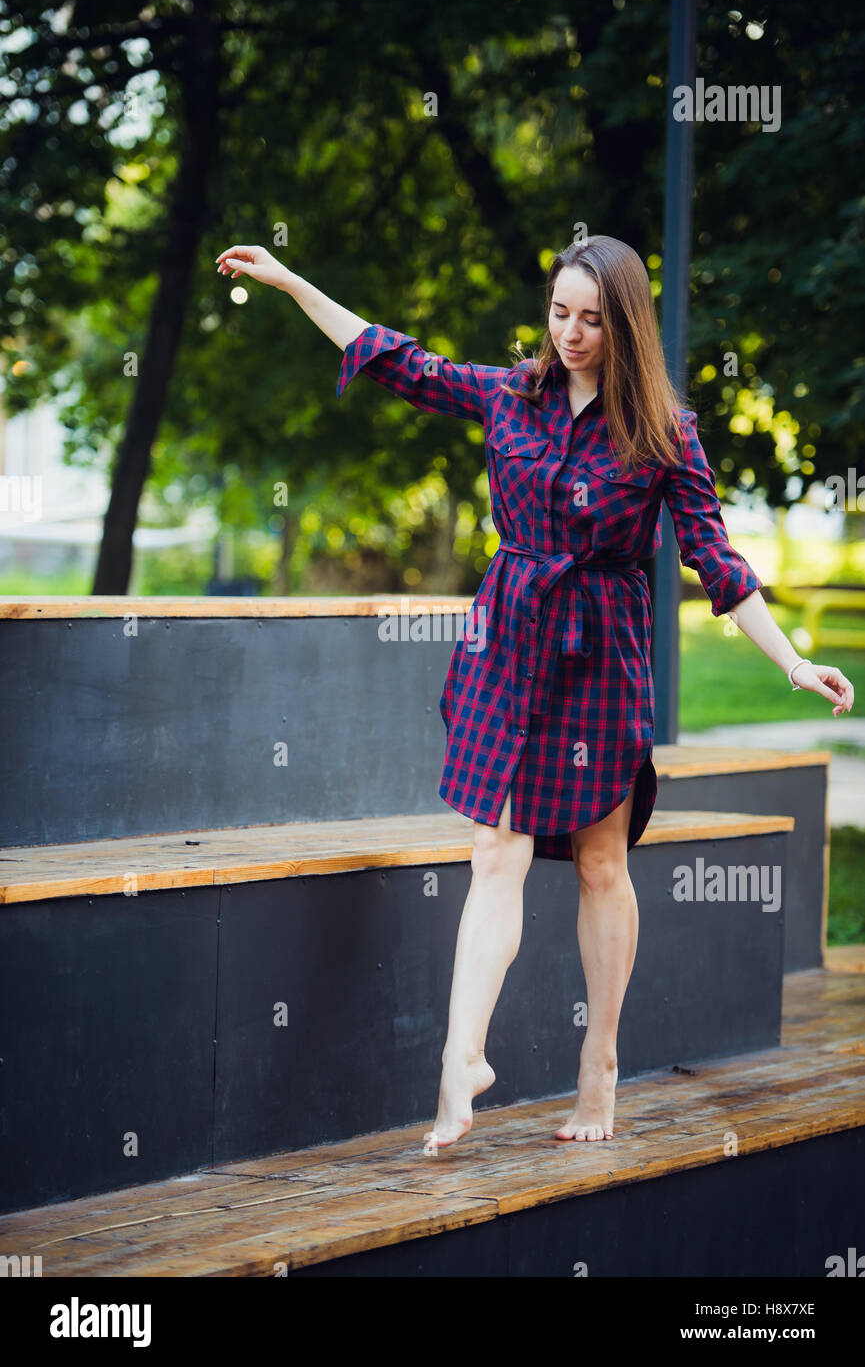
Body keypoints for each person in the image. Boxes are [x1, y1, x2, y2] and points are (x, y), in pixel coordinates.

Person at [215, 235, 855, 1153]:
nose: (571, 333)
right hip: (506, 638)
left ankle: (598, 1064)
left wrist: (792, 662)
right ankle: (460, 1058)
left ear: (624, 324)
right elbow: (395, 356)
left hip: (599, 654)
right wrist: (289, 282)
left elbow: (713, 559)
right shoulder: (507, 395)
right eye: (560, 313)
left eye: (592, 319)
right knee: (492, 853)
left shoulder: (664, 432)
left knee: (600, 866)